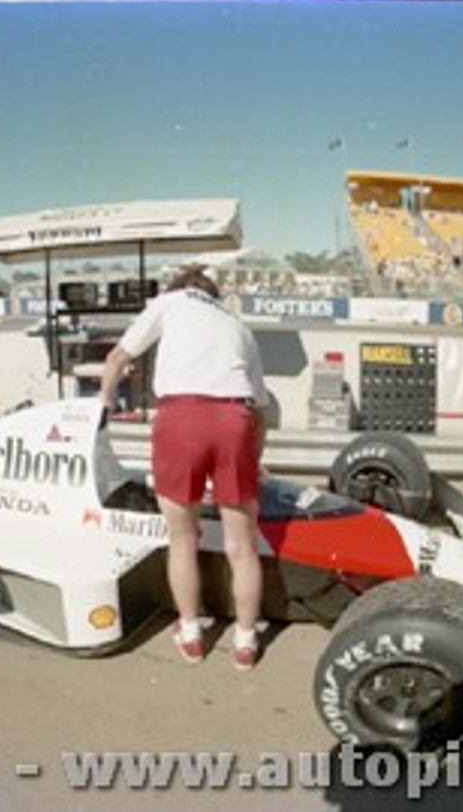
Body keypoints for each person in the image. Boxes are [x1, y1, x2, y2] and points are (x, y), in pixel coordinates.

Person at [98, 265, 269, 670]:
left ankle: (191, 633)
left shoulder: (170, 301)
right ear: (213, 294)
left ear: (181, 289)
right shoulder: (238, 327)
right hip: (235, 420)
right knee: (241, 545)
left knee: (182, 537)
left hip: (182, 417)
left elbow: (118, 356)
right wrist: (253, 461)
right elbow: (260, 413)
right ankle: (245, 641)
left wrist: (104, 401)